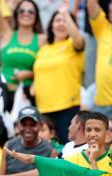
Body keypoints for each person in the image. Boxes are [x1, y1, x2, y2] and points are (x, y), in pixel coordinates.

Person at [33, 2, 85, 144]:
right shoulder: (44, 49)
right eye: (57, 20)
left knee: (67, 148)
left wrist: (65, 13)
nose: (61, 24)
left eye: (65, 21)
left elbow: (79, 40)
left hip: (67, 107)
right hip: (43, 108)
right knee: (47, 149)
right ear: (51, 25)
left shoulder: (73, 45)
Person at [0, 0, 45, 111]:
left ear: (36, 16)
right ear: (16, 14)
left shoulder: (42, 39)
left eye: (31, 11)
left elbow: (48, 69)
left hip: (27, 94)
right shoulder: (6, 33)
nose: (26, 13)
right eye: (22, 10)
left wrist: (30, 74)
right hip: (2, 92)